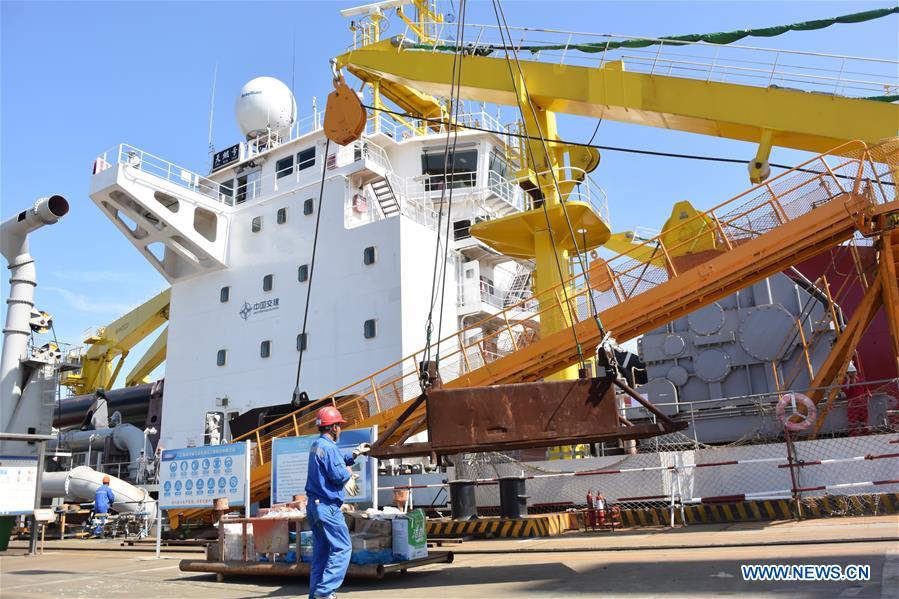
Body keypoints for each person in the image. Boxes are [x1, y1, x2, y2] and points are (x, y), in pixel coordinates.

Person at [305, 406, 371, 599]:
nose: (340, 429)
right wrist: (349, 475)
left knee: (322, 555)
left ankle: (316, 595)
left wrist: (355, 454)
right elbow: (337, 473)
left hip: (314, 507)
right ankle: (325, 593)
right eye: (339, 426)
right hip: (328, 508)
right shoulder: (329, 447)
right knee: (343, 548)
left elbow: (335, 462)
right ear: (333, 427)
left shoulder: (317, 445)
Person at [844, 362, 871, 436]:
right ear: (847, 373)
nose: (853, 374)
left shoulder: (860, 380)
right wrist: (848, 380)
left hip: (862, 403)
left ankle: (866, 432)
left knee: (864, 419)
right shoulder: (846, 382)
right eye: (851, 373)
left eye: (854, 372)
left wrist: (868, 395)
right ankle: (853, 434)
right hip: (852, 404)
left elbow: (866, 389)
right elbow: (846, 390)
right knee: (852, 420)